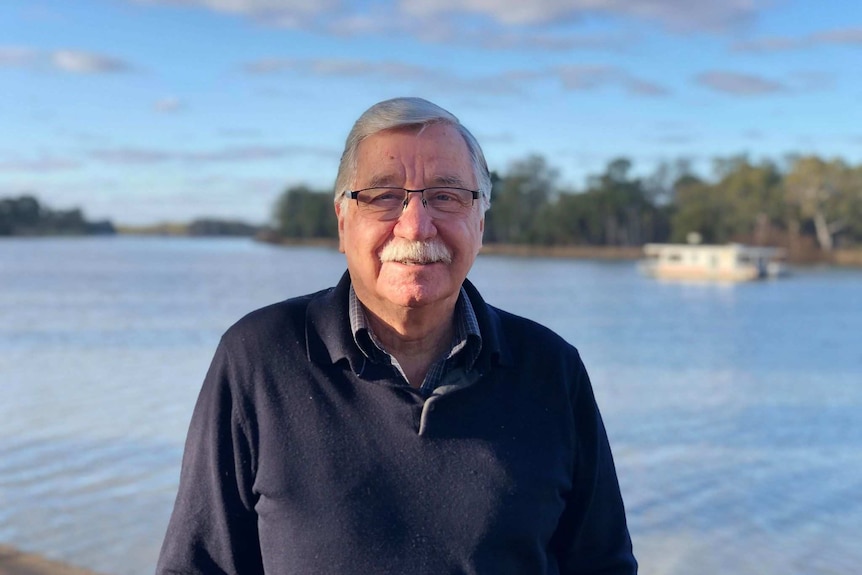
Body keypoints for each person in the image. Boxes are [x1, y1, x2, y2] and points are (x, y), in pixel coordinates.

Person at [156, 97, 637, 574]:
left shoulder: (550, 368)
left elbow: (603, 565)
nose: (416, 225)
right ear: (344, 222)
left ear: (480, 222)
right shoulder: (259, 358)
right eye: (384, 196)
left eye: (446, 196)